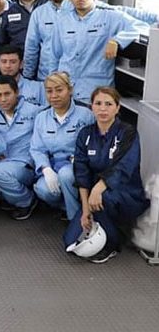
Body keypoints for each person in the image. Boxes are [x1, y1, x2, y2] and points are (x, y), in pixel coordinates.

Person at [64, 87, 150, 263]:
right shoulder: (85, 134)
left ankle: (113, 243)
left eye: (109, 104)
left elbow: (124, 167)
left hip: (125, 194)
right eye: (98, 103)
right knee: (70, 241)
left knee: (105, 198)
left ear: (117, 108)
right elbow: (81, 171)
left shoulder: (128, 132)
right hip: (94, 198)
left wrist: (98, 188)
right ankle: (103, 226)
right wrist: (85, 209)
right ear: (92, 107)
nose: (103, 109)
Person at [52, 0, 149, 103]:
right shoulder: (62, 21)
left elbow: (141, 26)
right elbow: (55, 55)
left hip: (96, 93)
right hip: (67, 89)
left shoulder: (109, 17)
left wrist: (117, 40)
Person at [30, 72, 94, 220]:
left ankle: (75, 219)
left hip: (77, 166)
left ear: (70, 90)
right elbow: (37, 149)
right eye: (49, 91)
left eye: (59, 90)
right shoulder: (41, 118)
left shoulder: (86, 115)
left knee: (66, 175)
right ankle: (67, 206)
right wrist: (46, 169)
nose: (54, 96)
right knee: (43, 189)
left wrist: (80, 160)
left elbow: (93, 143)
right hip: (53, 166)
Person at [0, 76, 40, 220]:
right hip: (2, 160)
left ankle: (26, 201)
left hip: (25, 163)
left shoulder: (34, 111)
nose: (3, 99)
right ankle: (8, 198)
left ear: (16, 92)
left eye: (7, 94)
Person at [0, 45, 45, 114]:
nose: (8, 66)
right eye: (4, 62)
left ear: (21, 64)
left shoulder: (38, 88)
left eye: (13, 62)